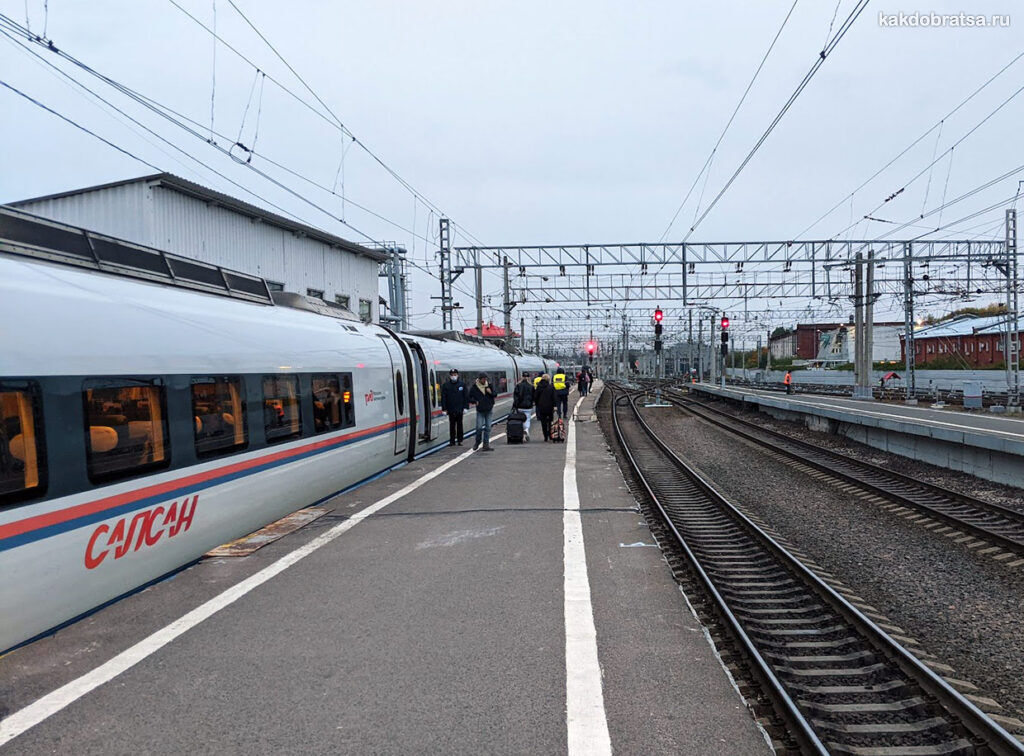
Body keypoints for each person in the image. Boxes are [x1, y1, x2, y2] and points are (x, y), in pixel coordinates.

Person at [468, 372, 496, 451]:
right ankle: (477, 441)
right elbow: (469, 397)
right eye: (483, 379)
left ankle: (486, 444)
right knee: (479, 427)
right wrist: (474, 401)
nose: (485, 380)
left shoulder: (489, 385)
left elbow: (495, 394)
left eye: (486, 379)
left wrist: (490, 392)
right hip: (480, 410)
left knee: (488, 427)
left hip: (489, 409)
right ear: (479, 379)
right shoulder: (474, 388)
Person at [440, 368, 468, 445]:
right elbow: (443, 398)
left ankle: (460, 440)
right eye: (452, 375)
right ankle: (452, 441)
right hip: (451, 409)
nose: (453, 376)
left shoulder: (462, 385)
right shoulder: (446, 386)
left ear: (457, 375)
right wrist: (444, 409)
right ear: (450, 376)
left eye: (455, 375)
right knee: (452, 426)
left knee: (459, 425)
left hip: (460, 409)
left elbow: (466, 397)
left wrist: (466, 407)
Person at [533, 373, 557, 441]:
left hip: (541, 407)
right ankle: (550, 435)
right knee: (550, 421)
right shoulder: (551, 387)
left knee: (543, 422)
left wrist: (537, 404)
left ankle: (545, 437)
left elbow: (536, 397)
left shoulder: (538, 387)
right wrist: (555, 406)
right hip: (549, 407)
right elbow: (554, 397)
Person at [513, 373, 534, 441]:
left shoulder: (518, 385)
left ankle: (523, 432)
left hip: (520, 406)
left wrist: (515, 405)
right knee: (527, 419)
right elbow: (534, 396)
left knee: (521, 420)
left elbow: (515, 397)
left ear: (522, 377)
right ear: (529, 378)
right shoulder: (531, 386)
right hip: (528, 406)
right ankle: (526, 430)